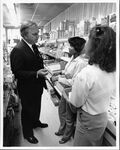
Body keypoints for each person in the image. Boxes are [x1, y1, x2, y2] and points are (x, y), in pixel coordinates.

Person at [69, 25, 116, 146]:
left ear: (91, 45)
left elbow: (75, 103)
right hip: (102, 118)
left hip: (88, 120)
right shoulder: (112, 70)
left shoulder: (86, 74)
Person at [10, 21, 48, 144]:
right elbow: (17, 72)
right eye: (35, 34)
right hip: (27, 87)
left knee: (37, 106)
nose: (38, 36)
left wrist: (41, 71)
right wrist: (36, 73)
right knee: (27, 110)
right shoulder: (18, 50)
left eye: (38, 33)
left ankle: (36, 122)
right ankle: (27, 133)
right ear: (25, 35)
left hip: (37, 85)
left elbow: (35, 61)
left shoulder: (33, 45)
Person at [52, 36, 88, 144]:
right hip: (65, 88)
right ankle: (62, 129)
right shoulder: (73, 57)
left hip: (72, 90)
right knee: (61, 110)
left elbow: (74, 82)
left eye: (71, 46)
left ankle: (67, 135)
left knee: (69, 115)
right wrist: (60, 73)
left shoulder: (81, 62)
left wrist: (58, 78)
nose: (69, 48)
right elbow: (67, 71)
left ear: (77, 47)